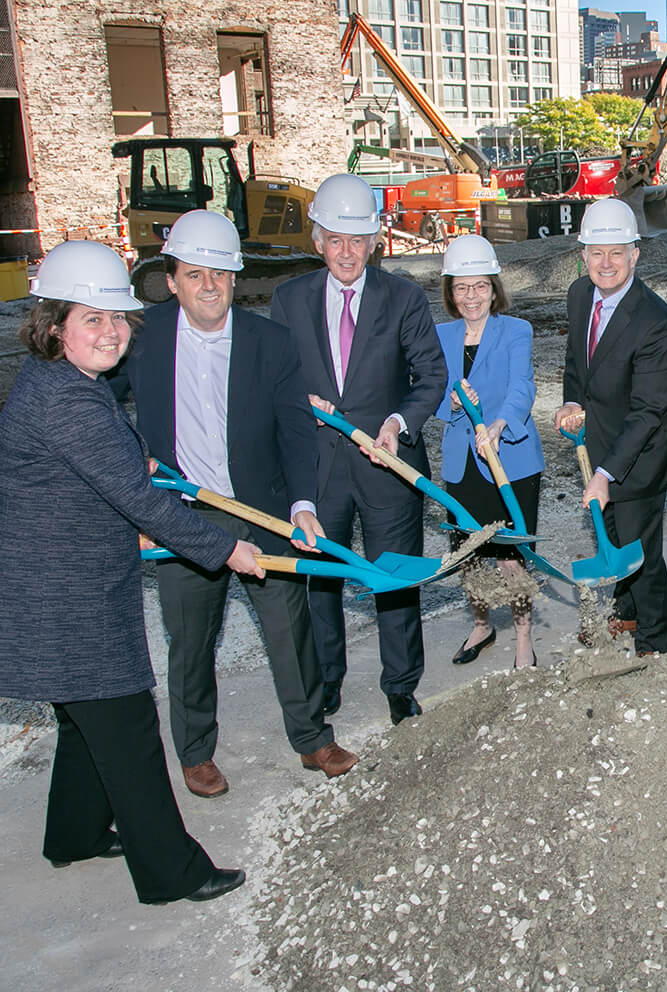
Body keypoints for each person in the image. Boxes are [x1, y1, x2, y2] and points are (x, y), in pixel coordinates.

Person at [0, 240, 258, 904]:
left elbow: (116, 450)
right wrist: (226, 549)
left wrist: (137, 456)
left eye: (117, 318)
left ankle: (76, 834)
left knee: (87, 723)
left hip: (65, 588)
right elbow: (141, 504)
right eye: (93, 319)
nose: (112, 332)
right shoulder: (67, 401)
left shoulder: (62, 380)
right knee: (128, 728)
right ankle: (173, 872)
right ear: (54, 322)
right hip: (68, 603)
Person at [108, 210, 357, 797]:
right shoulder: (141, 341)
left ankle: (312, 737)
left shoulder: (268, 342)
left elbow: (296, 430)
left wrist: (301, 504)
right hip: (182, 514)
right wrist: (129, 464)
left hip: (260, 510)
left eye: (219, 273)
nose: (209, 286)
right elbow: (96, 404)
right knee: (191, 637)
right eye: (195, 275)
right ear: (172, 281)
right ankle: (195, 752)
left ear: (235, 278)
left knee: (288, 629)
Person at [271, 174, 447, 725]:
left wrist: (399, 422)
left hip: (387, 467)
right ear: (318, 239)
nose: (347, 252)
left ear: (375, 243)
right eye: (336, 239)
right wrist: (299, 397)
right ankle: (327, 680)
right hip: (319, 469)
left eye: (358, 240)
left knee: (394, 579)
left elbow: (432, 375)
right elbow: (273, 381)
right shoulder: (289, 299)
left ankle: (400, 683)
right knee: (320, 580)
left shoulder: (404, 296)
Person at [553, 197, 667, 656]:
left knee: (641, 550)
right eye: (596, 252)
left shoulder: (655, 321)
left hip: (642, 452)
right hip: (600, 441)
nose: (605, 263)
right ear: (583, 255)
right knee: (613, 537)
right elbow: (576, 360)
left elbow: (649, 411)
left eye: (617, 253)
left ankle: (655, 638)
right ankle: (625, 613)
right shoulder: (577, 295)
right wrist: (571, 400)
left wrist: (605, 474)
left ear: (635, 255)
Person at [435, 234, 543, 670]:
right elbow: (429, 393)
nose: (471, 296)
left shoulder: (516, 330)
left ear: (494, 287)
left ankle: (523, 637)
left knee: (511, 558)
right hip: (463, 460)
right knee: (468, 552)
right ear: (450, 292)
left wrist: (498, 423)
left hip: (510, 457)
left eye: (480, 286)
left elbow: (523, 386)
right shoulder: (440, 335)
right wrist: (453, 402)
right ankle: (481, 625)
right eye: (462, 287)